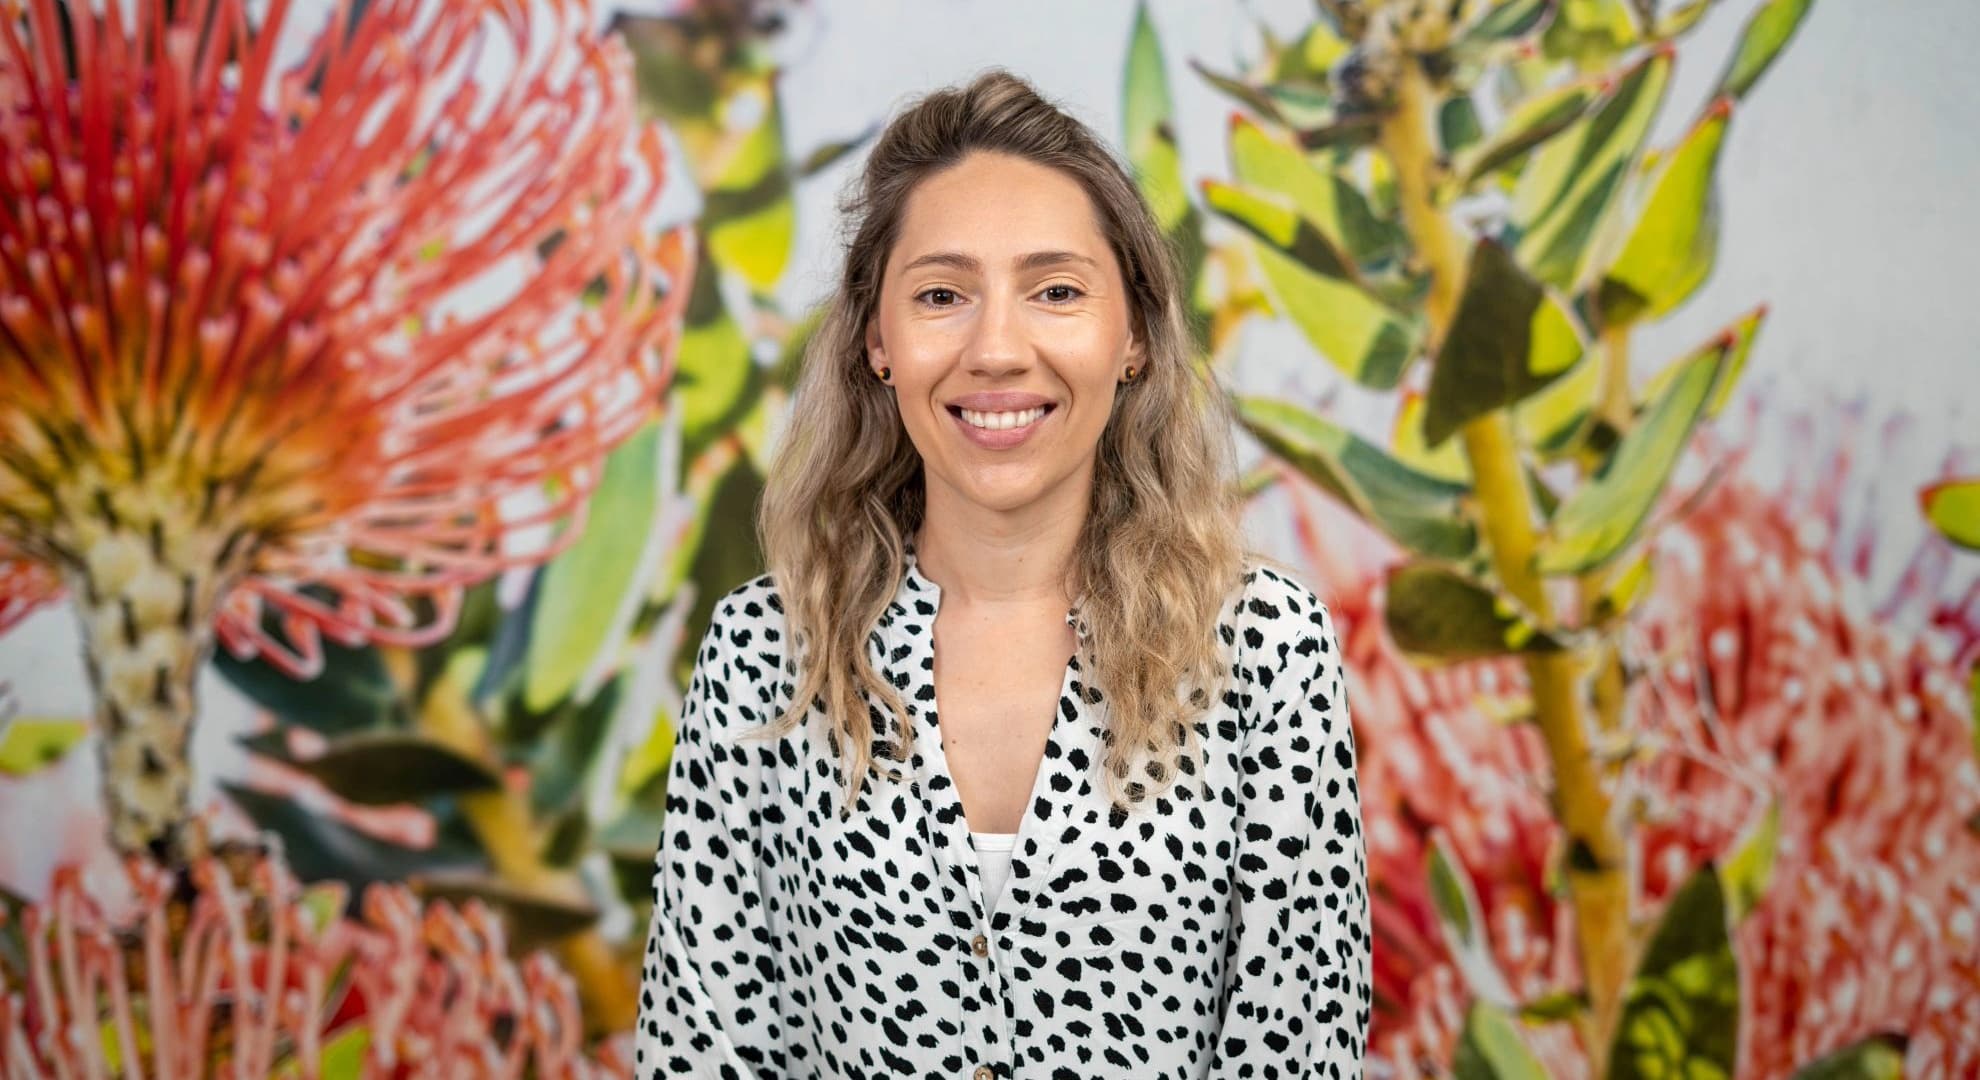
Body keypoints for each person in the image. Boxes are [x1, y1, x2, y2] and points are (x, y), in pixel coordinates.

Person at [635, 68, 1369, 1079]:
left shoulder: (1261, 647)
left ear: (1136, 340)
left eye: (1057, 292)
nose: (996, 349)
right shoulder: (766, 655)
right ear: (876, 342)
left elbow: (1301, 1048)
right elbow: (705, 1048)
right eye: (941, 296)